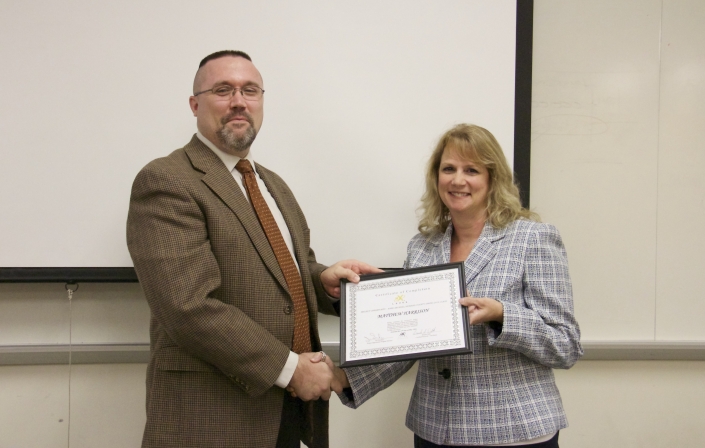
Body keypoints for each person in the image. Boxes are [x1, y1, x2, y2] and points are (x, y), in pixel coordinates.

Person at [126, 50, 380, 448]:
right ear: (195, 104)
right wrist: (290, 369)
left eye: (250, 90)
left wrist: (321, 280)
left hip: (286, 414)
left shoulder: (271, 184)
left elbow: (284, 273)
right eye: (223, 90)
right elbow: (187, 306)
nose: (239, 101)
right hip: (212, 416)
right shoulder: (166, 180)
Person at [321, 124, 583, 447]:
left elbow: (566, 343)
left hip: (514, 431)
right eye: (449, 169)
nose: (458, 180)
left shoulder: (533, 238)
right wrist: (343, 378)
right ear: (437, 178)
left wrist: (502, 315)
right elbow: (405, 343)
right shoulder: (422, 247)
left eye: (471, 170)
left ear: (492, 178)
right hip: (435, 429)